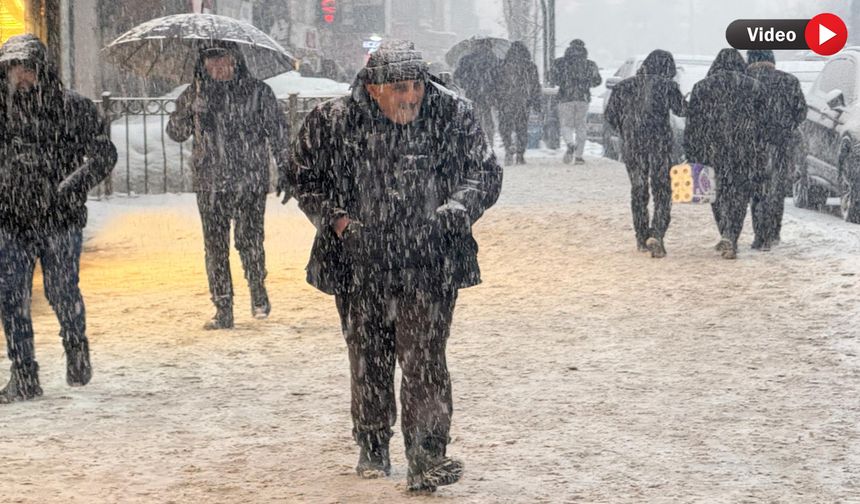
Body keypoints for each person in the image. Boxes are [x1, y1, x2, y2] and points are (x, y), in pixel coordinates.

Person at [291, 39, 502, 492]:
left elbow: (484, 171)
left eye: (416, 87)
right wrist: (340, 220)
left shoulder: (453, 114)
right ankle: (372, 442)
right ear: (372, 88)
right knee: (369, 356)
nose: (411, 97)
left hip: (430, 259)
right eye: (400, 88)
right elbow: (301, 175)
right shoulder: (332, 121)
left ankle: (427, 456)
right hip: (360, 260)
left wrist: (458, 208)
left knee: (424, 358)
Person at [0, 34, 117, 402]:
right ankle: (23, 374)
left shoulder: (74, 109)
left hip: (59, 218)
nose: (21, 76)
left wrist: (67, 188)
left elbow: (103, 157)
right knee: (11, 296)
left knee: (61, 291)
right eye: (14, 68)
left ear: (41, 70)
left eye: (28, 68)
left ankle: (76, 347)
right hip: (10, 218)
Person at [167, 42, 292, 330]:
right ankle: (223, 307)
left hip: (249, 179)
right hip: (210, 181)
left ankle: (257, 288)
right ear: (203, 64)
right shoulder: (195, 93)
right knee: (214, 247)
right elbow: (176, 133)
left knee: (249, 240)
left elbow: (278, 132)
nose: (217, 67)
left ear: (235, 60)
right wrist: (188, 111)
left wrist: (285, 168)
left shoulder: (258, 92)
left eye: (222, 59)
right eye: (210, 61)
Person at [684, 48, 765, 259]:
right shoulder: (754, 87)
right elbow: (763, 123)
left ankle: (725, 232)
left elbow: (693, 123)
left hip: (712, 148)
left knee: (716, 193)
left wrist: (692, 151)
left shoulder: (702, 87)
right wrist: (761, 149)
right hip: (744, 148)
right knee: (739, 193)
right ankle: (732, 235)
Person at [604, 49, 686, 258]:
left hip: (634, 145)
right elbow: (681, 111)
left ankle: (641, 237)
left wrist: (626, 130)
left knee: (639, 190)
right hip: (660, 144)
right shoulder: (668, 86)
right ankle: (657, 233)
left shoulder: (624, 86)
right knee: (662, 191)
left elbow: (610, 116)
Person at [745, 49, 807, 251]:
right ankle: (773, 232)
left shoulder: (745, 81)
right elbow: (801, 111)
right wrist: (786, 125)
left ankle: (759, 235)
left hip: (755, 142)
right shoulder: (789, 80)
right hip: (782, 142)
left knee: (757, 188)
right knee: (776, 189)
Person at [551, 39, 602, 164]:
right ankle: (579, 156)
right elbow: (597, 81)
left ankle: (570, 143)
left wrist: (565, 82)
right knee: (581, 126)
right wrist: (585, 83)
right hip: (582, 98)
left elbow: (552, 78)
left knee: (566, 124)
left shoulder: (560, 63)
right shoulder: (590, 64)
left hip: (565, 98)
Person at [496, 41, 542, 166]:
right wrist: (536, 102)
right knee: (522, 128)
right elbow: (535, 86)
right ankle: (520, 154)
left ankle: (508, 147)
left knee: (505, 127)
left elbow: (497, 84)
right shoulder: (530, 66)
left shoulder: (503, 65)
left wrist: (497, 99)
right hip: (523, 102)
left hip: (506, 101)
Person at [454, 38, 501, 143]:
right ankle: (489, 139)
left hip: (472, 92)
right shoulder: (494, 59)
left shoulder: (466, 59)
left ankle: (475, 139)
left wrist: (465, 84)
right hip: (489, 93)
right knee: (487, 115)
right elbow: (499, 77)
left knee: (474, 116)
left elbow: (457, 76)